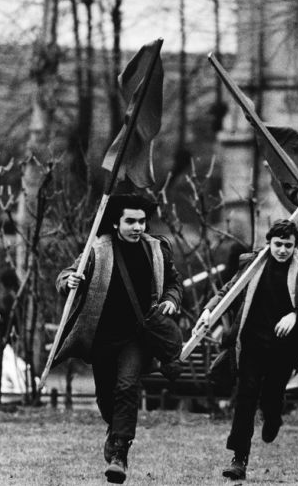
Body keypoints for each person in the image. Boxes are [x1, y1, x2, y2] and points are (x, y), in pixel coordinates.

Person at [54, 194, 182, 484]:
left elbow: (174, 282)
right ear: (115, 222)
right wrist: (70, 280)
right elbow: (66, 275)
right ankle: (116, 432)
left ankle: (119, 456)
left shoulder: (156, 249)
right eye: (130, 221)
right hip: (102, 336)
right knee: (106, 396)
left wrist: (172, 300)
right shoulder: (97, 250)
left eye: (141, 221)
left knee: (127, 387)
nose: (138, 227)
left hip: (137, 335)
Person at [193, 220, 298, 481]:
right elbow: (229, 290)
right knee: (246, 397)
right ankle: (239, 459)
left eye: (288, 246)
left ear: (294, 246)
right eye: (277, 244)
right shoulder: (253, 264)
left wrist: (297, 314)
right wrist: (209, 310)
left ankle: (274, 416)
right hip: (253, 343)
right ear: (269, 243)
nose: (282, 250)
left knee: (272, 395)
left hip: (285, 348)